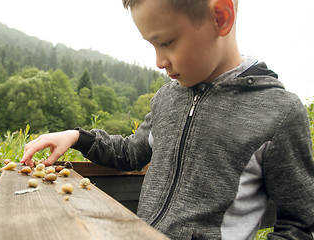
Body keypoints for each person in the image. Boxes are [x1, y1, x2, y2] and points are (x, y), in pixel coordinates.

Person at [21, 0, 314, 239]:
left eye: (166, 43)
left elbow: (298, 223)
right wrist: (76, 137)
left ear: (221, 18)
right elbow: (131, 153)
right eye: (152, 45)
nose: (159, 62)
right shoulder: (167, 98)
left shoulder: (279, 112)